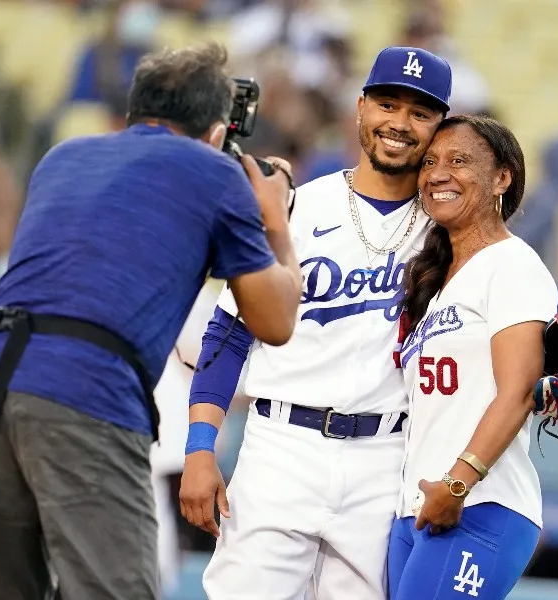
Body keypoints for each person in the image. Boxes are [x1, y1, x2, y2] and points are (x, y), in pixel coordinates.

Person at [0, 42, 302, 600]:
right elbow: (275, 320)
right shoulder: (211, 170)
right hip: (84, 384)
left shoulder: (65, 155)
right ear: (215, 129)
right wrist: (274, 219)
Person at [180, 46, 452, 599]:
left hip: (386, 458)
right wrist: (200, 448)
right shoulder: (298, 208)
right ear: (360, 109)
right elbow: (228, 335)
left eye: (420, 113)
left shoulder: (449, 235)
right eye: (388, 104)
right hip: (283, 447)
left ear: (440, 127)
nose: (399, 123)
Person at [389, 115, 558, 600]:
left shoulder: (512, 264)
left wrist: (459, 483)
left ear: (502, 177)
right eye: (430, 163)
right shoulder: (439, 283)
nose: (437, 174)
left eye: (459, 161)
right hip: (419, 507)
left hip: (478, 502)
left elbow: (520, 390)